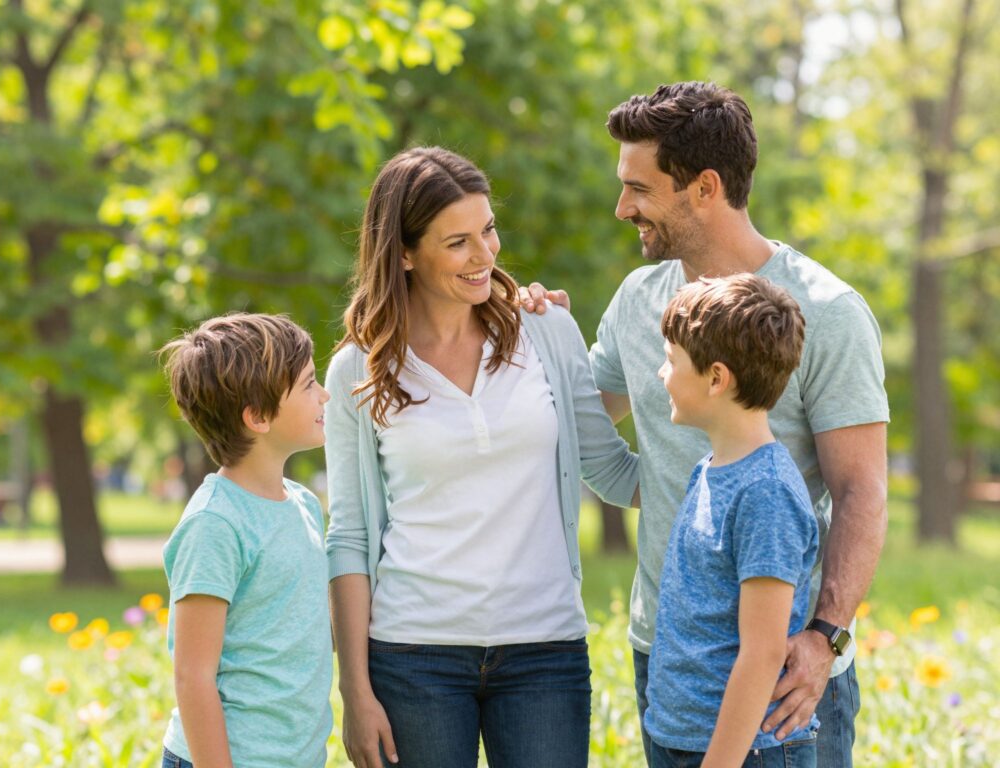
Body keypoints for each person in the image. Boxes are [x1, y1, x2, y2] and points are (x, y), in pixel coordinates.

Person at [523, 81, 889, 767]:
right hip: (663, 655)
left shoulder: (827, 312)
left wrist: (824, 636)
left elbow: (862, 490)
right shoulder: (638, 302)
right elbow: (573, 428)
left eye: (639, 188)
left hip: (784, 668)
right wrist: (542, 335)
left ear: (704, 187)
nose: (621, 208)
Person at [324, 146, 639, 768]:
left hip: (545, 647)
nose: (486, 255)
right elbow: (350, 537)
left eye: (489, 230)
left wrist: (726, 456)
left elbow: (607, 465)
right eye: (458, 242)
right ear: (405, 253)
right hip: (413, 655)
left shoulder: (545, 331)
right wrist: (354, 692)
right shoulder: (357, 370)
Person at [647, 274, 819, 767]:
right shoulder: (710, 469)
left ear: (716, 378)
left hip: (743, 754)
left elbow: (763, 653)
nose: (662, 373)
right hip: (684, 740)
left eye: (671, 360)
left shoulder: (765, 491)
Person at [157, 313, 334, 768]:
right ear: (257, 417)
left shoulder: (302, 504)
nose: (325, 395)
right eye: (310, 384)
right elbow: (192, 676)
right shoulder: (215, 523)